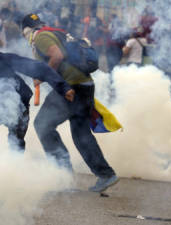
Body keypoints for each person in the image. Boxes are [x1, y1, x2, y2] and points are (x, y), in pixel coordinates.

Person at [21, 13, 118, 192]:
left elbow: (56, 56)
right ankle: (106, 174)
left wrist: (43, 76)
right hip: (84, 85)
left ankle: (63, 177)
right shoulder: (54, 32)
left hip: (70, 88)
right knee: (81, 134)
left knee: (42, 125)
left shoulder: (41, 36)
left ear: (26, 31)